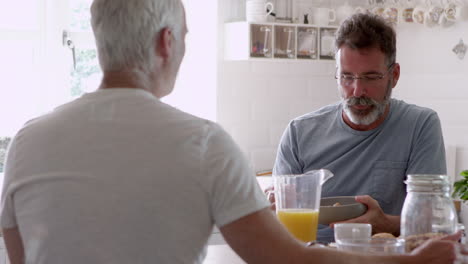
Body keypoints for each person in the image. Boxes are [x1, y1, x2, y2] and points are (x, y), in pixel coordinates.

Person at [0, 1, 459, 263]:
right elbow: (288, 260)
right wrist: (409, 263)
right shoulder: (203, 143)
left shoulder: (25, 141)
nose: (356, 89)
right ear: (166, 42)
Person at [272, 13, 447, 243]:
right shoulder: (299, 132)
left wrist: (385, 224)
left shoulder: (420, 126)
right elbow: (276, 226)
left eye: (371, 77)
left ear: (393, 76)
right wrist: (269, 208)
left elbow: (433, 225)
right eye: (347, 77)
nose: (357, 91)